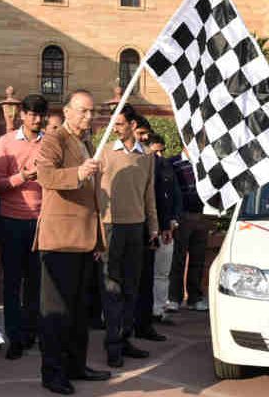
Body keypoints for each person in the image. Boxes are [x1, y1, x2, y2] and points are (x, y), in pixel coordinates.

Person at [36, 89, 110, 395]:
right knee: (57, 312)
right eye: (82, 111)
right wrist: (78, 173)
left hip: (85, 239)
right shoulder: (54, 139)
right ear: (66, 111)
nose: (88, 117)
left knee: (80, 310)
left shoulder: (87, 142)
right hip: (60, 241)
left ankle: (76, 365)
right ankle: (52, 373)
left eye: (92, 112)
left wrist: (97, 240)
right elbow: (46, 176)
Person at [98, 104, 158, 368]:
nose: (115, 128)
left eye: (120, 123)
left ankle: (124, 339)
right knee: (112, 289)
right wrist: (97, 231)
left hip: (137, 227)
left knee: (132, 289)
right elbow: (94, 194)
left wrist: (153, 226)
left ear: (133, 125)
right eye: (114, 124)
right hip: (110, 227)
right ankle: (112, 346)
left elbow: (149, 194)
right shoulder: (104, 153)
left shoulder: (146, 156)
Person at [0, 95, 47, 360]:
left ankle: (30, 332)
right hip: (11, 220)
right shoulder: (5, 143)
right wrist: (21, 177)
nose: (37, 119)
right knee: (12, 282)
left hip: (41, 221)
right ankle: (14, 337)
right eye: (33, 114)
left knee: (36, 282)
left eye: (41, 115)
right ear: (22, 115)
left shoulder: (50, 142)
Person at [138, 133, 180, 327]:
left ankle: (159, 310)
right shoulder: (140, 167)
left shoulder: (166, 167)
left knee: (162, 273)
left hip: (165, 229)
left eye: (163, 150)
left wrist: (171, 222)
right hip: (143, 227)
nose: (160, 155)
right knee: (141, 273)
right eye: (156, 151)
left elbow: (174, 196)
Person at [167, 147, 211, 312]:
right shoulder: (173, 163)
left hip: (202, 215)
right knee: (177, 258)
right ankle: (174, 298)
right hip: (182, 216)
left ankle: (195, 298)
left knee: (198, 258)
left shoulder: (205, 163)